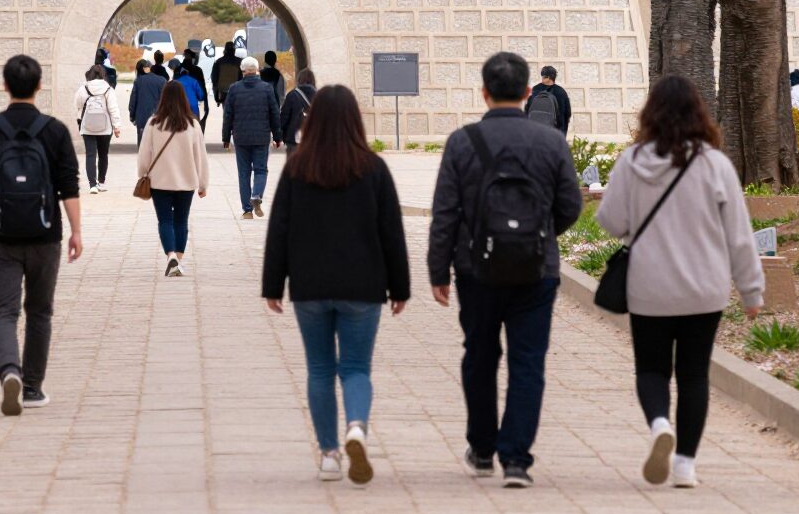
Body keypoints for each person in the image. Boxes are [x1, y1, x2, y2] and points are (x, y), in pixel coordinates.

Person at [597, 74, 765, 488]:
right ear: (698, 113)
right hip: (704, 290)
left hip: (649, 287)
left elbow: (611, 220)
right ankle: (686, 464)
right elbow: (739, 235)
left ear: (650, 113)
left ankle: (659, 424)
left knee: (651, 369)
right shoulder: (715, 165)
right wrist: (751, 290)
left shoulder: (632, 162)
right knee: (694, 375)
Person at [428, 50, 582, 488]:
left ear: (484, 92)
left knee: (479, 355)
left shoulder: (463, 142)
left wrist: (439, 270)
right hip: (537, 269)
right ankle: (516, 459)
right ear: (528, 92)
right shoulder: (551, 143)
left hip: (476, 267)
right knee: (528, 361)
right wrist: (540, 235)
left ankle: (481, 449)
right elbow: (570, 205)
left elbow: (445, 212)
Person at [262, 85, 410, 484]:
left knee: (320, 369)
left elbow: (279, 229)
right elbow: (392, 233)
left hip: (310, 286)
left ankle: (329, 455)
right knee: (357, 367)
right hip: (363, 286)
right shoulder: (373, 168)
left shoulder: (297, 168)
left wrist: (273, 285)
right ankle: (356, 426)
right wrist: (400, 288)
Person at [0, 54, 83, 414]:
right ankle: (31, 388)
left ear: (5, 85)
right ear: (39, 85)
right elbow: (69, 186)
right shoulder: (55, 130)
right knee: (40, 312)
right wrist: (76, 231)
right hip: (46, 236)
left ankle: (9, 372)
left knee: (4, 310)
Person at [136, 80, 210, 276]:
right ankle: (178, 259)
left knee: (165, 220)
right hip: (186, 181)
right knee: (181, 221)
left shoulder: (153, 123)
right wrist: (203, 183)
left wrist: (142, 174)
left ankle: (171, 256)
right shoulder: (193, 124)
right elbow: (200, 156)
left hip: (159, 181)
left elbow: (144, 153)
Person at [223, 54, 283, 218]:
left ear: (242, 70)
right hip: (262, 136)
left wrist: (226, 138)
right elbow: (274, 113)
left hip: (241, 137)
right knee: (261, 170)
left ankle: (247, 210)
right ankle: (256, 195)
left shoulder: (234, 89)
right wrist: (277, 136)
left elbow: (228, 115)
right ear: (257, 70)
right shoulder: (266, 88)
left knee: (244, 173)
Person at [74, 63, 122, 192]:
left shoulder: (83, 88)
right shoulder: (108, 89)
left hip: (87, 126)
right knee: (103, 154)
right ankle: (101, 182)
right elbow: (113, 108)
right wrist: (116, 126)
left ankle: (92, 185)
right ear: (103, 75)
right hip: (105, 128)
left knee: (90, 155)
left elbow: (77, 104)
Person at [129, 57, 168, 142]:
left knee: (142, 142)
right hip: (159, 117)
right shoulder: (162, 80)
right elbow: (167, 100)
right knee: (158, 142)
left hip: (142, 118)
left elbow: (133, 101)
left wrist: (132, 116)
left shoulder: (138, 81)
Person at [524, 65, 572, 134]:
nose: (542, 78)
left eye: (543, 76)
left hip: (535, 130)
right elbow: (567, 113)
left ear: (548, 77)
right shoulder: (561, 92)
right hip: (555, 132)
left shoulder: (536, 89)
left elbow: (527, 108)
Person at [280, 68, 318, 147]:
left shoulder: (292, 95)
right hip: (314, 138)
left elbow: (284, 117)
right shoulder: (319, 95)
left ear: (299, 80)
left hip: (293, 139)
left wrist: (282, 135)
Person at [175, 54, 208, 129]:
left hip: (180, 107)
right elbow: (201, 96)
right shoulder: (194, 81)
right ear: (188, 73)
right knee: (196, 127)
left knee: (180, 128)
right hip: (193, 107)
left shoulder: (176, 82)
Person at [211, 40, 242, 107]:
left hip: (223, 91)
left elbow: (214, 79)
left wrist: (216, 96)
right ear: (234, 51)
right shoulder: (240, 62)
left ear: (225, 50)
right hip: (236, 91)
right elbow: (242, 77)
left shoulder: (218, 62)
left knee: (226, 109)